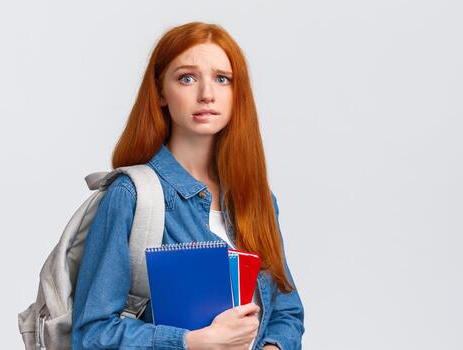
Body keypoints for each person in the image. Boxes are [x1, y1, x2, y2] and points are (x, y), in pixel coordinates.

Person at [71, 22, 304, 350]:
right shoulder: (131, 196)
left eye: (222, 79)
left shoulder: (257, 198)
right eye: (187, 78)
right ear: (161, 92)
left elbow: (287, 312)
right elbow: (92, 335)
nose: (207, 93)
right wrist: (192, 342)